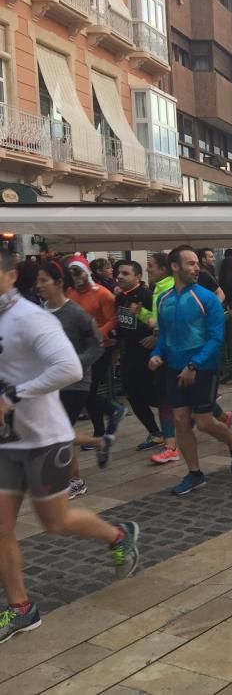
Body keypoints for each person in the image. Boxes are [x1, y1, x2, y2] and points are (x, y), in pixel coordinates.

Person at [0, 250, 139, 644]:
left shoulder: (30, 318)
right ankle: (21, 608)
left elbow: (70, 368)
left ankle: (117, 534)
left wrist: (12, 396)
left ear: (11, 276)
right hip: (7, 443)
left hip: (45, 438)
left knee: (55, 522)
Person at [148, 247, 232, 495]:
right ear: (175, 267)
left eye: (196, 264)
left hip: (203, 367)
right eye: (190, 264)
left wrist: (194, 365)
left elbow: (216, 338)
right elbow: (164, 335)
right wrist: (156, 354)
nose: (196, 268)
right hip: (174, 368)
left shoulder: (207, 298)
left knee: (203, 422)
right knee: (181, 421)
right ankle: (194, 473)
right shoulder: (163, 299)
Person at [36, 262, 111, 499]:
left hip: (74, 382)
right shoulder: (38, 312)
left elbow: (97, 344)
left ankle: (75, 481)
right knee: (56, 430)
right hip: (48, 381)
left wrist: (75, 364)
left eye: (44, 281)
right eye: (37, 281)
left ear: (59, 283)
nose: (38, 286)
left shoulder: (75, 312)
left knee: (60, 430)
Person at [66, 255, 125, 444]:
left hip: (101, 347)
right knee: (86, 392)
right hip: (79, 349)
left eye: (80, 274)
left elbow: (113, 319)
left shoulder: (102, 293)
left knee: (88, 391)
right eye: (73, 275)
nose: (77, 279)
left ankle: (104, 424)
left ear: (87, 273)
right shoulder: (69, 293)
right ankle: (108, 416)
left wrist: (99, 333)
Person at [113, 260, 170, 453]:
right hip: (129, 354)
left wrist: (155, 337)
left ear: (137, 277)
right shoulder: (120, 298)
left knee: (155, 396)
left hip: (150, 355)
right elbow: (122, 323)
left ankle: (177, 425)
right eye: (118, 273)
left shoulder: (147, 295)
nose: (120, 276)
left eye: (125, 273)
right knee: (133, 394)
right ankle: (155, 432)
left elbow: (159, 320)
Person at [141, 253, 182, 464]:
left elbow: (158, 323)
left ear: (165, 269)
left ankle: (222, 420)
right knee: (167, 398)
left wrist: (141, 314)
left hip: (179, 354)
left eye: (151, 266)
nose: (148, 270)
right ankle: (170, 445)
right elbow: (159, 324)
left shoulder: (167, 290)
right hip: (165, 352)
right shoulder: (160, 290)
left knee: (193, 402)